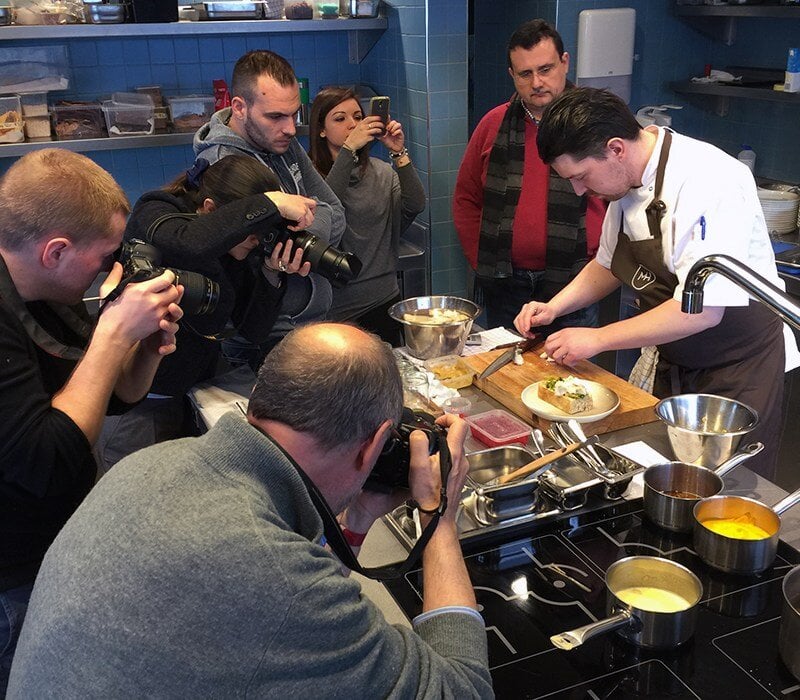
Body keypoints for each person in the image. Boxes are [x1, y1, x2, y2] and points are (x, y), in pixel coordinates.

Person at [8, 323, 493, 698]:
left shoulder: (153, 464)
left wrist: (356, 518)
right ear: (372, 448)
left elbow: (278, 588)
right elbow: (461, 690)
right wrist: (440, 519)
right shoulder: (278, 581)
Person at [514, 87, 800, 479]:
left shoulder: (708, 181)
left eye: (581, 177)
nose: (580, 190)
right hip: (678, 363)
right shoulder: (624, 182)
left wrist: (597, 338)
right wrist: (556, 306)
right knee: (667, 482)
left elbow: (699, 312)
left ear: (615, 148)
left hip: (737, 369)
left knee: (726, 498)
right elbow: (607, 264)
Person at [0, 149, 183, 691]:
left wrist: (144, 347)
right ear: (55, 250)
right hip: (10, 574)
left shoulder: (46, 288)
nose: (111, 269)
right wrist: (112, 334)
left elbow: (106, 398)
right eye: (104, 257)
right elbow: (50, 458)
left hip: (50, 539)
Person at [96, 155, 315, 470]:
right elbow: (190, 244)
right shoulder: (156, 212)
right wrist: (268, 205)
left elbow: (252, 330)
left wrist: (270, 271)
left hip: (191, 393)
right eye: (252, 229)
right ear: (210, 209)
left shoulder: (239, 248)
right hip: (136, 407)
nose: (256, 239)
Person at [453, 19, 606, 331]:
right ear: (512, 75)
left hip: (576, 281)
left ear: (565, 63)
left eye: (545, 69)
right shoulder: (492, 124)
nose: (537, 82)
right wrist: (478, 258)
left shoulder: (598, 123)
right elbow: (466, 198)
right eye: (525, 74)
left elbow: (623, 200)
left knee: (571, 378)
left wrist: (598, 260)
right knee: (509, 372)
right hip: (506, 284)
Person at [194, 49, 346, 361]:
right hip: (259, 340)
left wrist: (294, 236)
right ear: (239, 107)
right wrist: (306, 232)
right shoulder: (222, 164)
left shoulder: (280, 142)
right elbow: (246, 263)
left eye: (294, 114)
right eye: (276, 116)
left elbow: (335, 211)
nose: (290, 128)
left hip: (306, 326)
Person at [308, 87, 426, 345]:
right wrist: (349, 150)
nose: (352, 124)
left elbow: (415, 204)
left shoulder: (382, 173)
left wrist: (399, 152)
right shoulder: (310, 178)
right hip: (335, 310)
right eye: (340, 119)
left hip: (383, 299)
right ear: (321, 130)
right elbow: (328, 213)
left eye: (358, 116)